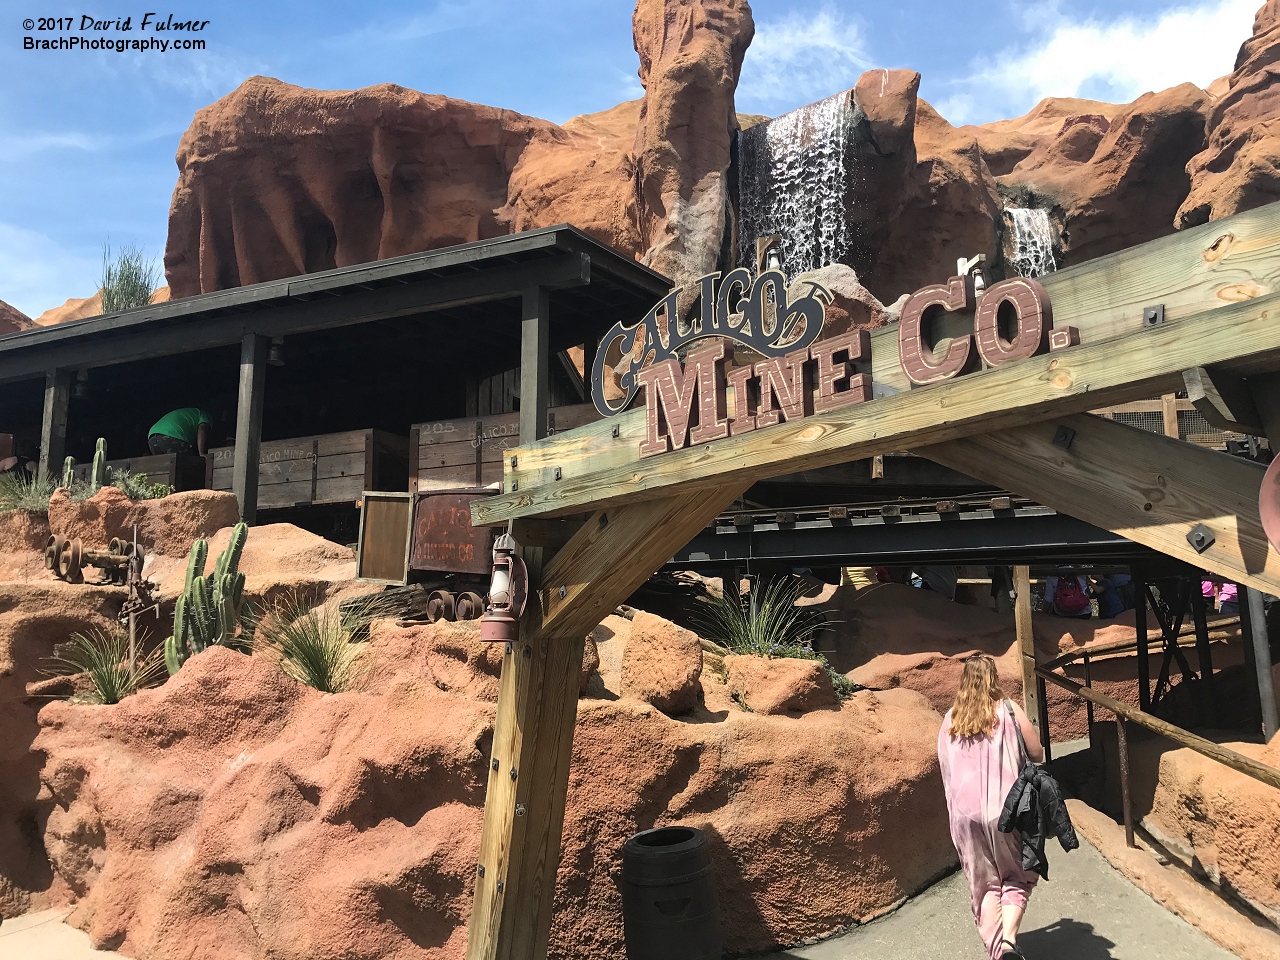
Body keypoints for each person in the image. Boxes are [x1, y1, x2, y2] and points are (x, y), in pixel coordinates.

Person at [938, 655, 1045, 960]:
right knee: (1019, 875)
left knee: (984, 885)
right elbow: (1036, 753)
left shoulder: (950, 719)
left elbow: (946, 769)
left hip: (966, 816)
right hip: (1006, 812)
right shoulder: (1008, 711)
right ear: (994, 679)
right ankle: (1008, 941)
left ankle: (999, 953)